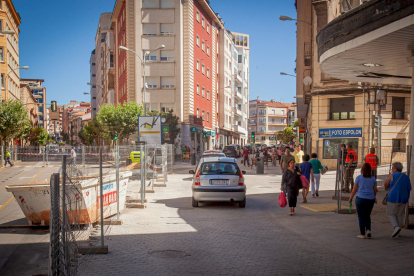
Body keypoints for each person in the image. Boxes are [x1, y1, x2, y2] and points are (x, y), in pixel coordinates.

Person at [349, 163, 378, 239]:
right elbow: (375, 189)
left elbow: (354, 190)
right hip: (370, 199)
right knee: (367, 215)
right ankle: (368, 230)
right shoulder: (373, 178)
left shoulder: (358, 178)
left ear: (362, 170)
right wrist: (374, 196)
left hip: (360, 198)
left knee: (361, 216)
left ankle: (362, 233)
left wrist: (351, 198)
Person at [384, 162, 411, 238]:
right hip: (403, 198)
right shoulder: (406, 177)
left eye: (392, 168)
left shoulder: (392, 175)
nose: (392, 170)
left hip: (393, 197)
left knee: (390, 213)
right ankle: (397, 232)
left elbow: (386, 185)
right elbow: (410, 187)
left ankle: (396, 227)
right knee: (399, 215)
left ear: (395, 169)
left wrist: (387, 179)